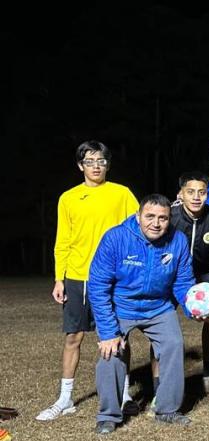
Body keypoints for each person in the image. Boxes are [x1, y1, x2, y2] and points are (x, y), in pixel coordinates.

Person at [38, 141, 140, 422]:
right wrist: (59, 278)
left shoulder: (122, 194)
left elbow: (137, 228)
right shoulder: (68, 198)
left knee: (119, 338)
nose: (96, 165)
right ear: (80, 165)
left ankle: (125, 394)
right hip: (78, 275)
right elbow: (63, 241)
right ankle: (65, 398)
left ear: (108, 164)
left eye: (102, 160)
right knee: (74, 336)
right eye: (90, 160)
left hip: (113, 277)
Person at [87, 194, 198, 434]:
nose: (156, 223)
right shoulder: (116, 238)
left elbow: (183, 282)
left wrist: (194, 307)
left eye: (163, 218)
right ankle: (109, 415)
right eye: (149, 216)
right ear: (138, 216)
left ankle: (167, 410)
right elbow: (98, 285)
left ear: (170, 219)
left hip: (158, 307)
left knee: (173, 344)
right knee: (111, 351)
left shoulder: (178, 240)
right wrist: (108, 331)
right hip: (121, 306)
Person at [170, 171, 209, 409]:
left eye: (202, 192)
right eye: (190, 192)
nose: (196, 197)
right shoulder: (170, 216)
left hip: (205, 277)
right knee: (162, 325)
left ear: (207, 194)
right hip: (173, 276)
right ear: (180, 194)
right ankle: (160, 386)